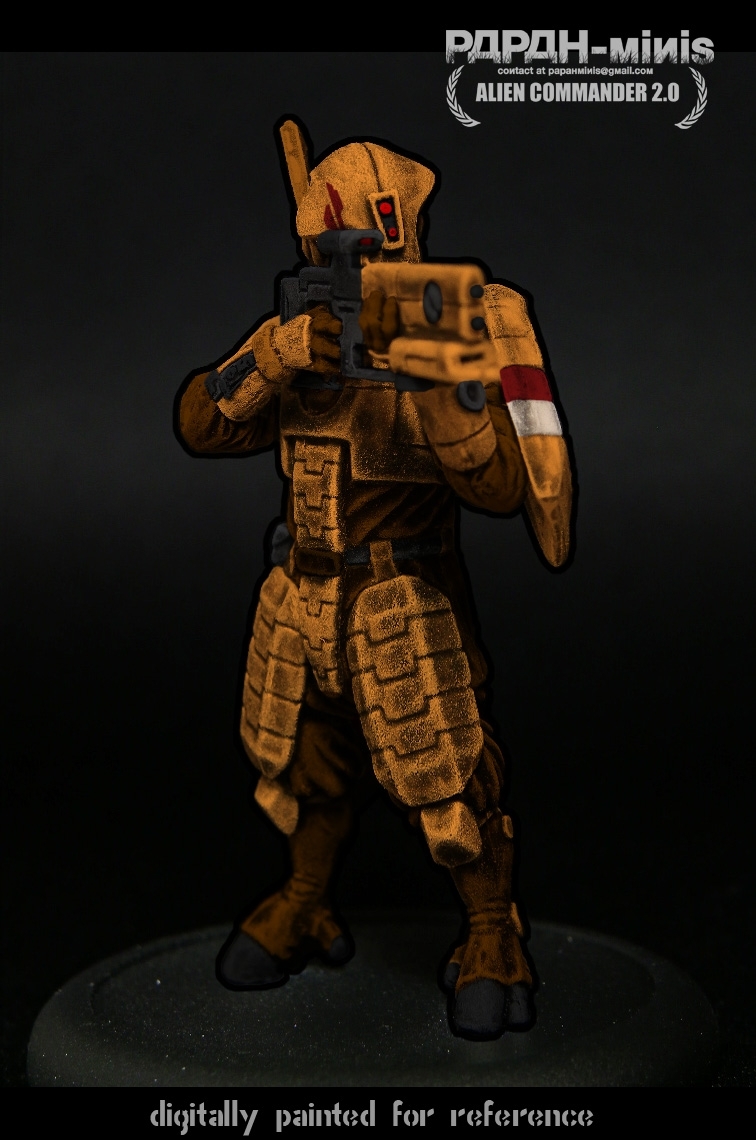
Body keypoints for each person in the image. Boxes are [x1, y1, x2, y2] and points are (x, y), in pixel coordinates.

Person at [177, 121, 572, 1039]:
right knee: (303, 764)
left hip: (405, 601)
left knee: (447, 778)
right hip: (304, 593)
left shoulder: (452, 328)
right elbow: (201, 424)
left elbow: (499, 487)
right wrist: (274, 357)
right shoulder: (299, 331)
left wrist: (436, 374)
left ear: (399, 235)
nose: (343, 268)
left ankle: (492, 932)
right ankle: (306, 899)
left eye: (357, 249)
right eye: (328, 252)